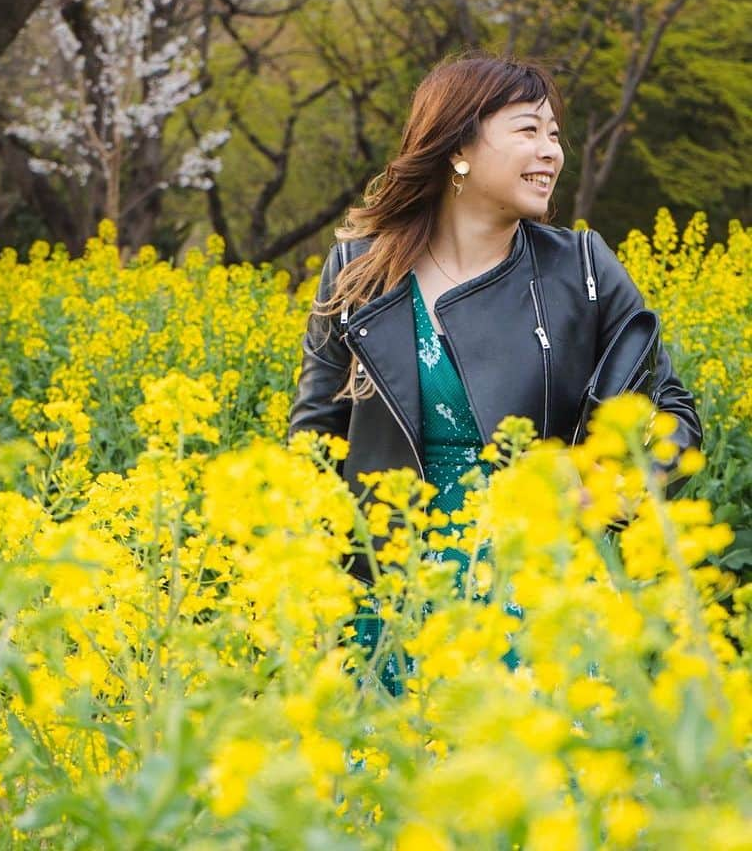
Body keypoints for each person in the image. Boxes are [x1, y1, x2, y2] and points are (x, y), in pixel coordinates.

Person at [287, 53, 702, 689]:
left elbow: (673, 410)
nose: (551, 152)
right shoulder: (360, 272)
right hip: (396, 582)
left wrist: (621, 486)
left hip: (540, 582)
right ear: (459, 147)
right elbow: (315, 439)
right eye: (528, 130)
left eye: (555, 134)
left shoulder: (582, 269)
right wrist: (307, 578)